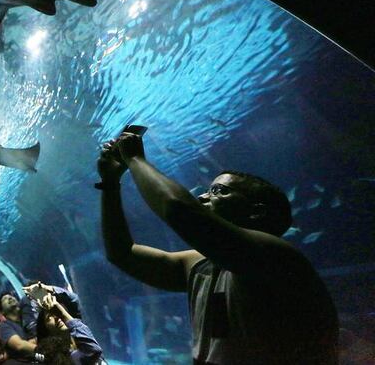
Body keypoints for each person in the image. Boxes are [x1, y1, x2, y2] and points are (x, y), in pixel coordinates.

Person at [98, 131, 339, 364]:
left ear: (257, 211)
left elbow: (179, 209)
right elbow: (122, 253)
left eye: (219, 191)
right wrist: (110, 184)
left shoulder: (276, 257)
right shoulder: (201, 265)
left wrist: (135, 159)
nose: (202, 197)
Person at [34, 293, 103, 365]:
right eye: (50, 315)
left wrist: (51, 289)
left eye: (58, 311)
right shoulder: (48, 356)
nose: (57, 317)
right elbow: (93, 350)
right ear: (44, 327)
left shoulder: (83, 341)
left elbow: (75, 299)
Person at [0, 292, 38, 361]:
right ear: (2, 311)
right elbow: (19, 345)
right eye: (5, 299)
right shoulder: (4, 326)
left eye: (11, 296)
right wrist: (42, 349)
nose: (10, 298)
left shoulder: (27, 317)